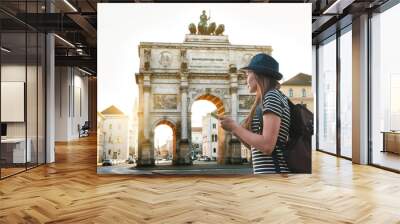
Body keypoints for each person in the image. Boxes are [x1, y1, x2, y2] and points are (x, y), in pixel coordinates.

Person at [218, 53, 291, 174]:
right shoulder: (269, 97)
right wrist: (234, 130)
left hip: (273, 172)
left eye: (247, 74)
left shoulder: (271, 96)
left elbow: (267, 146)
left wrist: (236, 127)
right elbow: (256, 147)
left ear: (257, 75)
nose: (245, 80)